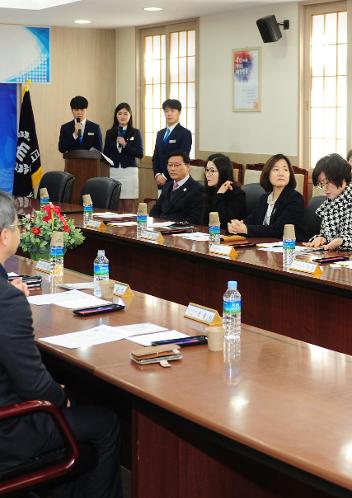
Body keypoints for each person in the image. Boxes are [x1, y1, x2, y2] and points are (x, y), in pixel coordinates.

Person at [0, 191, 122, 498]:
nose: (20, 232)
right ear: (5, 237)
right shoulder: (7, 301)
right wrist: (61, 398)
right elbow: (35, 386)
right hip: (9, 431)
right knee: (106, 423)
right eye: (18, 226)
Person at [228, 153, 305, 241]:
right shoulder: (265, 199)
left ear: (290, 175)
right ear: (268, 174)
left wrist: (246, 229)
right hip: (265, 247)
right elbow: (252, 219)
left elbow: (278, 230)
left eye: (285, 170)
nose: (281, 173)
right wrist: (236, 225)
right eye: (276, 169)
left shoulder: (295, 199)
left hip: (290, 248)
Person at [304, 153, 352, 250]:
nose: (325, 188)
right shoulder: (331, 203)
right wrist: (321, 238)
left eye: (328, 182)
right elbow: (328, 234)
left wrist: (342, 241)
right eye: (321, 184)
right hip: (333, 259)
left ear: (341, 177)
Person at [103, 103, 143, 213]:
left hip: (129, 172)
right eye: (120, 113)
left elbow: (140, 153)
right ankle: (118, 229)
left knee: (129, 205)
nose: (122, 116)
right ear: (116, 116)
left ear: (130, 116)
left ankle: (131, 229)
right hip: (114, 171)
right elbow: (105, 153)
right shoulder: (110, 133)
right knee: (116, 205)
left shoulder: (135, 132)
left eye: (125, 113)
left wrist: (125, 144)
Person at [150, 151, 205, 224]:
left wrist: (167, 224)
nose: (172, 169)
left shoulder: (197, 189)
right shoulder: (167, 186)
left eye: (176, 165)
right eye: (170, 165)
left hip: (180, 230)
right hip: (160, 228)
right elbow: (155, 210)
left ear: (188, 167)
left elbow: (194, 219)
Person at [152, 99, 192, 189]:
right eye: (166, 111)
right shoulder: (160, 133)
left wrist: (164, 176)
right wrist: (157, 175)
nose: (169, 114)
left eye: (172, 111)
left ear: (179, 113)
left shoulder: (185, 133)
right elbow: (155, 157)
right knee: (161, 202)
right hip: (160, 181)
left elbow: (182, 158)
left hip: (176, 180)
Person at [203, 153, 246, 228]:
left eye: (212, 171)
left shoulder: (237, 194)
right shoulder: (208, 190)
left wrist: (219, 195)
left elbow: (224, 223)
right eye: (207, 170)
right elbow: (203, 221)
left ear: (223, 172)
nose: (207, 174)